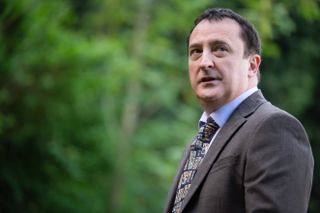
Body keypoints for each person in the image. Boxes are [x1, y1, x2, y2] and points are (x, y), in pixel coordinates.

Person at [164, 8, 314, 213]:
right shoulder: (197, 143)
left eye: (220, 49)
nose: (205, 62)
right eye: (196, 51)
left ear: (252, 65)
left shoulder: (275, 128)